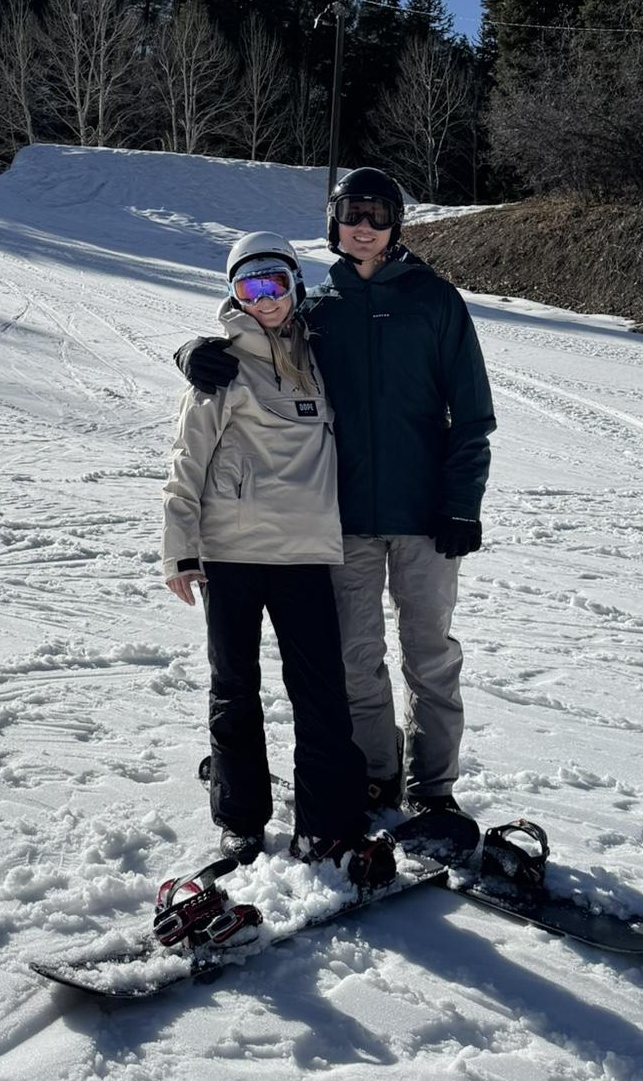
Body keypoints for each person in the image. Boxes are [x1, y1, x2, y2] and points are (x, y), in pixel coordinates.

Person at [179, 169, 495, 820]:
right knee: (356, 661)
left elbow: (473, 414)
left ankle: (433, 790)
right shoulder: (319, 308)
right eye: (353, 214)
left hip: (427, 517)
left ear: (395, 224)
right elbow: (257, 338)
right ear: (335, 224)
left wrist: (462, 502)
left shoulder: (435, 301)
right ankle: (375, 775)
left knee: (431, 657)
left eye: (379, 215)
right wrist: (191, 351)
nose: (365, 227)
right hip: (342, 521)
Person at [163, 230, 396, 887]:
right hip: (232, 554)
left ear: (295, 285)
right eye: (249, 288)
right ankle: (240, 815)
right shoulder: (219, 368)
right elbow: (185, 462)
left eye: (274, 284)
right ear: (233, 295)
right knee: (234, 686)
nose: (264, 300)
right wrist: (180, 550)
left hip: (306, 552)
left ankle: (328, 822)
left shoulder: (316, 356)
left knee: (321, 691)